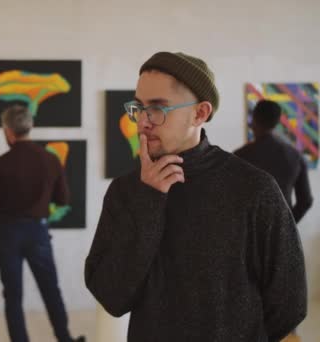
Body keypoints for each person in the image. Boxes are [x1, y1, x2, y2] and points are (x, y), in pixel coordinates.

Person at [85, 52, 307, 341]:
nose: (143, 122)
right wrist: (149, 201)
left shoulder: (253, 189)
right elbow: (111, 295)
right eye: (139, 108)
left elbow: (289, 302)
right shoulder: (126, 192)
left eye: (157, 108)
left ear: (200, 113)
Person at [0, 105, 85, 342]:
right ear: (31, 127)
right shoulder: (50, 159)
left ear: (8, 131)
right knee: (50, 288)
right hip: (37, 231)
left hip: (8, 232)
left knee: (13, 295)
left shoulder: (1, 163)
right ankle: (65, 338)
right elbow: (63, 199)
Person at [235, 99, 313, 223]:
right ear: (277, 123)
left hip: (249, 230)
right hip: (281, 230)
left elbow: (229, 197)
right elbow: (306, 201)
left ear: (254, 121)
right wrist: (288, 224)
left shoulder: (240, 156)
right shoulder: (295, 156)